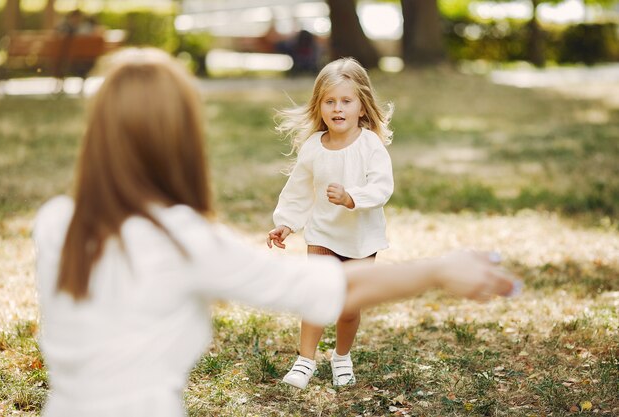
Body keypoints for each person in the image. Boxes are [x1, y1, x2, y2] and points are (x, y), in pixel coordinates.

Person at [33, 48, 516, 417]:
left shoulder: (54, 223)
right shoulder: (185, 241)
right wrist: (436, 269)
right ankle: (309, 358)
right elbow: (325, 287)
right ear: (181, 137)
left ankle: (333, 356)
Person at [266, 57, 395, 389]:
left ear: (362, 108)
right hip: (323, 234)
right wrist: (285, 223)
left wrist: (353, 197)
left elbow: (382, 187)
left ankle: (341, 356)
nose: (338, 108)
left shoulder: (370, 145)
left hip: (361, 239)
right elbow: (297, 191)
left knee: (349, 307)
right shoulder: (314, 147)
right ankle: (305, 361)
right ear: (319, 106)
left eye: (346, 101)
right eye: (330, 101)